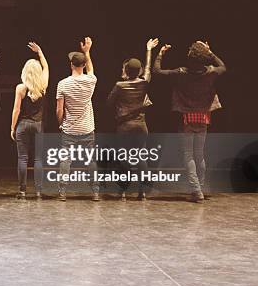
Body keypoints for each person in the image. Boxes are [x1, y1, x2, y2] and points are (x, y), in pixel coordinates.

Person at [153, 40, 226, 203]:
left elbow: (156, 71)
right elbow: (223, 67)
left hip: (186, 119)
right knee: (199, 154)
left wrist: (160, 54)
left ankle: (197, 190)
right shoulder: (211, 72)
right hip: (203, 118)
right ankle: (199, 187)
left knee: (188, 155)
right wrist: (211, 52)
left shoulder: (181, 72)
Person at [107, 38, 159, 201]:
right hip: (141, 126)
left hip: (125, 127)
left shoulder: (119, 85)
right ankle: (142, 192)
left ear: (126, 70)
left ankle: (122, 191)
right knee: (141, 157)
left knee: (124, 158)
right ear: (139, 71)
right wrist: (149, 49)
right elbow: (149, 68)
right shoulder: (144, 83)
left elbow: (108, 103)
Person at [56, 37, 98, 202]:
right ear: (83, 66)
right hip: (87, 128)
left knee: (66, 159)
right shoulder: (91, 81)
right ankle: (95, 191)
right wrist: (88, 52)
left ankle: (62, 192)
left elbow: (59, 109)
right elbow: (92, 70)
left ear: (71, 65)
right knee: (90, 160)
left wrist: (60, 123)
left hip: (70, 129)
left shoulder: (63, 84)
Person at [10, 42, 49, 200]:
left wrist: (12, 127)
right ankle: (38, 191)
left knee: (22, 158)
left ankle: (22, 191)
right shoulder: (43, 86)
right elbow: (46, 68)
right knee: (38, 159)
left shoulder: (21, 88)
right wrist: (40, 52)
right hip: (38, 125)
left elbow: (16, 110)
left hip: (23, 125)